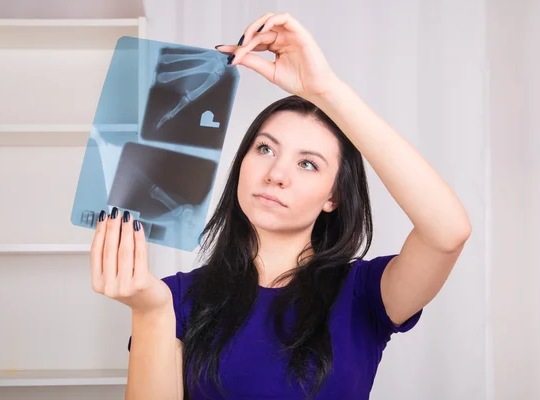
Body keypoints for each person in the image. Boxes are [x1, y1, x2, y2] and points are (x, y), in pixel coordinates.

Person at [90, 12, 472, 400]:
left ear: (333, 197)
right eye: (266, 148)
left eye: (308, 164)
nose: (276, 174)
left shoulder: (364, 294)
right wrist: (150, 312)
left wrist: (326, 90)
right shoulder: (174, 299)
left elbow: (448, 232)